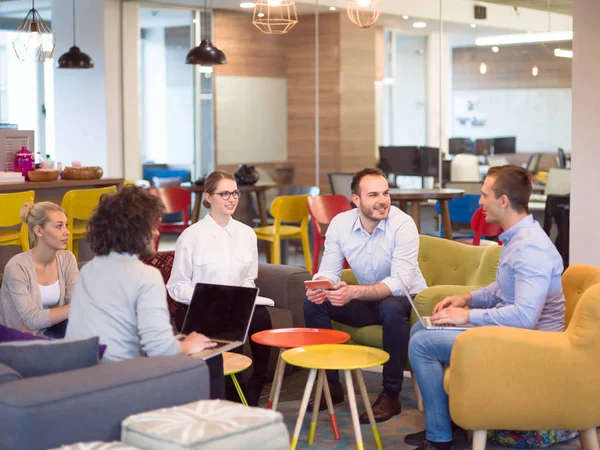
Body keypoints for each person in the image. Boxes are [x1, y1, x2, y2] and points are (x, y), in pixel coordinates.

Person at [406, 165, 566, 450]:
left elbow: (524, 317)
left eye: (484, 195)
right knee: (422, 327)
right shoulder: (517, 238)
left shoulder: (531, 248)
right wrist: (467, 298)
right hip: (514, 335)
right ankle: (447, 425)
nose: (479, 202)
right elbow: (504, 289)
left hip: (531, 346)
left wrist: (466, 316)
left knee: (423, 344)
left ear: (503, 201)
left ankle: (440, 438)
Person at [65, 186, 223, 397]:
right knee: (211, 358)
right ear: (136, 230)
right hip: (121, 380)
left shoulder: (89, 269)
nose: (156, 232)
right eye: (152, 225)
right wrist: (189, 344)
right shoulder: (145, 276)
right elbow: (161, 349)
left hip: (80, 375)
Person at [304, 167, 427, 423]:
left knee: (391, 308)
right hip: (367, 300)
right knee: (313, 304)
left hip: (405, 299)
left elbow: (400, 282)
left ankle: (391, 395)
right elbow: (329, 269)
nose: (383, 200)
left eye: (385, 193)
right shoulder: (340, 224)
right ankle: (331, 385)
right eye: (373, 195)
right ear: (356, 200)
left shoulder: (403, 224)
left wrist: (353, 292)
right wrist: (321, 287)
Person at [167, 170, 273, 406]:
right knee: (229, 325)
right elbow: (176, 286)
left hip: (235, 305)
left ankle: (259, 380)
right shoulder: (191, 236)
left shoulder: (246, 234)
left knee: (260, 316)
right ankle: (233, 391)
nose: (232, 198)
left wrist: (244, 295)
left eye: (234, 193)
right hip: (200, 307)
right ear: (208, 198)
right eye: (224, 193)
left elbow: (248, 278)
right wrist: (209, 297)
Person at [0, 202, 77, 338]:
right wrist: (74, 307)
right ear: (38, 231)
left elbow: (76, 303)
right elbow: (32, 319)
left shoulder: (67, 259)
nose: (67, 232)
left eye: (66, 225)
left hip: (53, 332)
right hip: (17, 341)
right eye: (59, 226)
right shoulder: (17, 267)